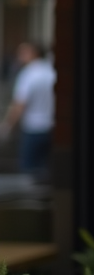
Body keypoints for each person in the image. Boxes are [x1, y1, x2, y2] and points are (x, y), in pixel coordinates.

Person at [1, 42, 55, 179]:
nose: (19, 57)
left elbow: (20, 104)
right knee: (46, 171)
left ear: (33, 53)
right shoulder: (50, 71)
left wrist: (7, 126)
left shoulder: (28, 74)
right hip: (51, 126)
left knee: (28, 172)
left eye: (23, 53)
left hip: (33, 128)